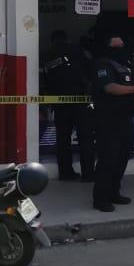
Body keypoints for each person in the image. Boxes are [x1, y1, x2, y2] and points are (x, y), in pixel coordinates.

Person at [90, 33, 134, 212]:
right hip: (108, 121)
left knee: (122, 158)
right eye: (115, 47)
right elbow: (110, 88)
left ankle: (114, 192)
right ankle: (100, 199)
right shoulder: (102, 65)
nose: (119, 50)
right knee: (107, 160)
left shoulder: (126, 66)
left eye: (121, 46)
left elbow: (133, 85)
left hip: (126, 120)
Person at [42, 30, 95, 182]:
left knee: (63, 139)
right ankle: (88, 174)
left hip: (59, 102)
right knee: (85, 138)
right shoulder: (79, 50)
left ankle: (65, 173)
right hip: (80, 100)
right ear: (68, 39)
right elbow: (90, 70)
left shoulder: (47, 55)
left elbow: (46, 78)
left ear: (52, 41)